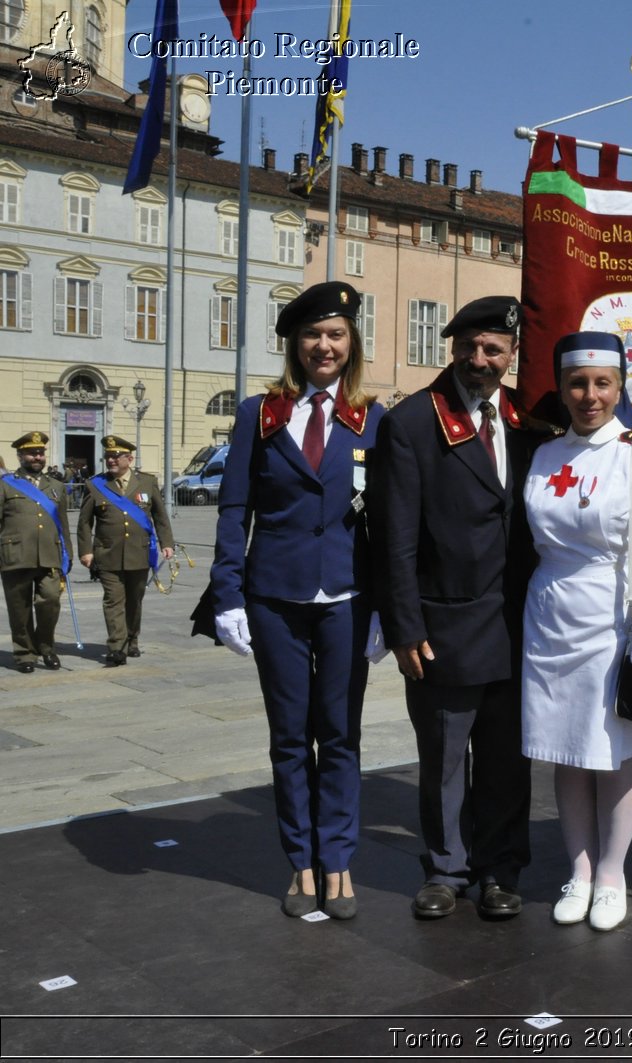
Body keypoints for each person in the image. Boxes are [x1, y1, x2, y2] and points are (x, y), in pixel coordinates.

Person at [372, 295, 554, 922]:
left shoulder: (529, 422)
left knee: (507, 762)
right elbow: (392, 537)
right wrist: (403, 625)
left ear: (510, 355)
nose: (480, 359)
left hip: (515, 625)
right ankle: (446, 869)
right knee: (446, 760)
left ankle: (501, 870)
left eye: (493, 349)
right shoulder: (413, 422)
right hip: (442, 624)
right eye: (469, 347)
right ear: (452, 348)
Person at [209, 281, 385, 919]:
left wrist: (387, 610)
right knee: (289, 736)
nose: (324, 345)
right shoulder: (262, 414)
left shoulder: (373, 420)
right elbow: (235, 511)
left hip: (347, 597)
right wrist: (228, 595)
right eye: (312, 335)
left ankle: (338, 859)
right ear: (294, 344)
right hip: (275, 597)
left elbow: (386, 524)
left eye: (336, 334)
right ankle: (301, 862)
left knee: (339, 735)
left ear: (351, 343)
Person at [521, 332, 632, 932]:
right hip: (549, 612)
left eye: (602, 383)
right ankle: (580, 869)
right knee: (566, 751)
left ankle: (613, 873)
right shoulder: (544, 455)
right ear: (562, 388)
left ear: (620, 386)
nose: (589, 395)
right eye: (577, 383)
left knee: (612, 753)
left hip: (612, 613)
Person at [77, 435, 172, 666]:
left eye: (115, 456)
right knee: (112, 600)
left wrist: (166, 543)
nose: (110, 460)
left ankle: (132, 639)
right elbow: (85, 522)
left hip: (139, 553)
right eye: (107, 456)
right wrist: (86, 551)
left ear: (129, 458)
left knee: (134, 601)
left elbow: (160, 516)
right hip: (107, 553)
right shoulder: (96, 484)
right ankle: (116, 646)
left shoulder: (147, 483)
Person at [1, 432, 70, 673]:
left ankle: (46, 646)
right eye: (31, 452)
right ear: (20, 455)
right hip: (15, 556)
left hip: (49, 555)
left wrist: (67, 555)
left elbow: (63, 524)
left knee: (50, 600)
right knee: (19, 609)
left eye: (40, 452)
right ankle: (24, 654)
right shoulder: (5, 484)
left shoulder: (56, 486)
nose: (37, 457)